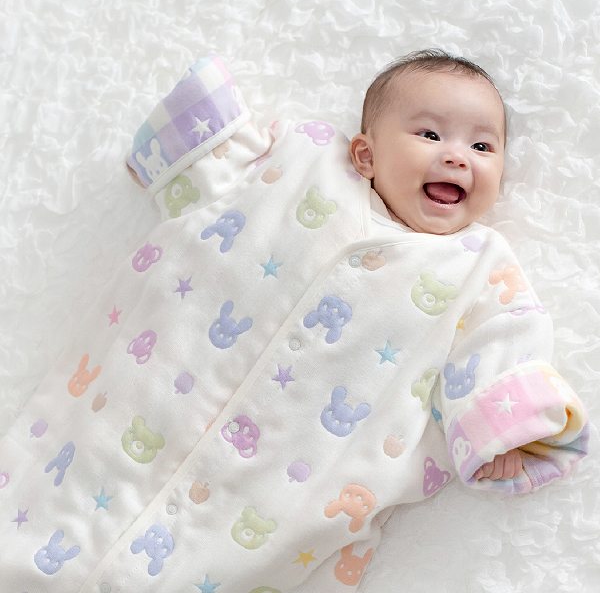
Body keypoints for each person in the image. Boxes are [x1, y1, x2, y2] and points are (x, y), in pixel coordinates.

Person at [0, 50, 588, 593]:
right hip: (145, 404)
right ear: (365, 154)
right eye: (430, 134)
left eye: (483, 146)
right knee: (49, 495)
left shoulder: (479, 270)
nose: (457, 155)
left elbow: (500, 346)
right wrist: (183, 147)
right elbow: (208, 156)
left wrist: (505, 434)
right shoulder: (304, 160)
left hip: (274, 494)